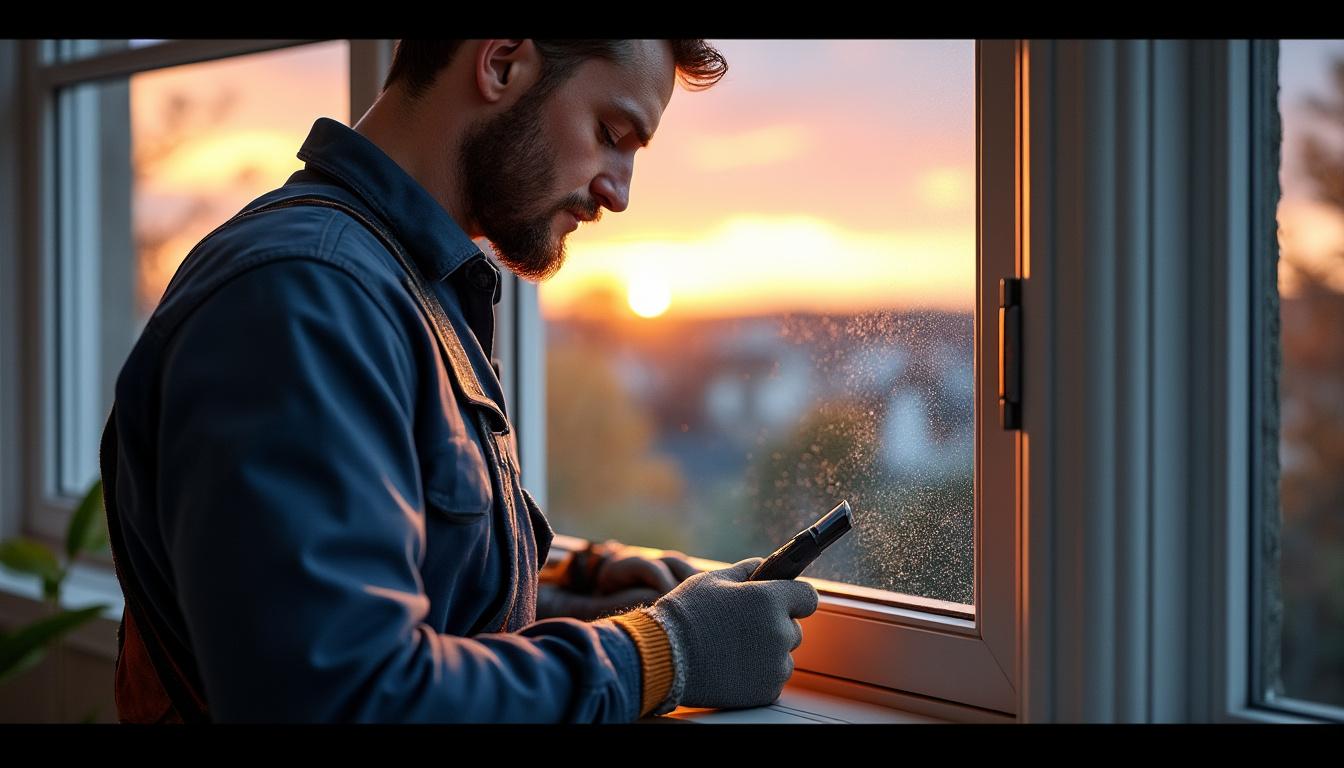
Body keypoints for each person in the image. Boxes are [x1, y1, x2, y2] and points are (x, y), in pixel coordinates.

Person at [101, 39, 820, 724]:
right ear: (502, 61)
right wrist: (664, 652)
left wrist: (574, 593)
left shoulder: (405, 289)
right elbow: (338, 699)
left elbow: (401, 591)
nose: (618, 190)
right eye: (611, 131)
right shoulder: (305, 298)